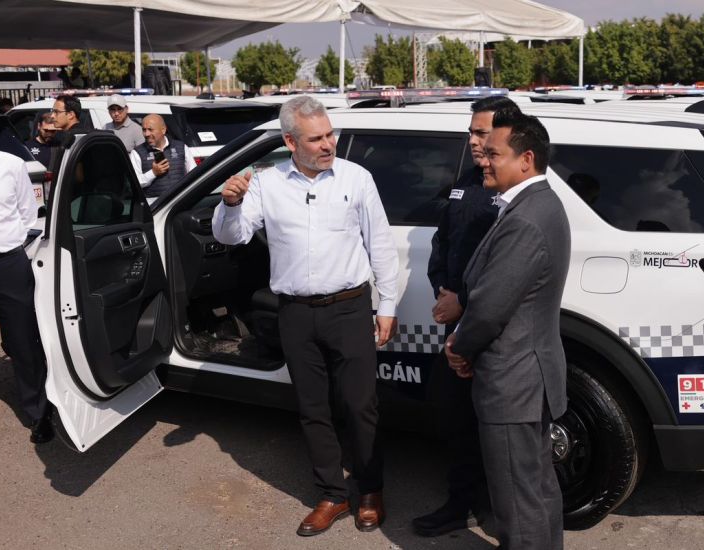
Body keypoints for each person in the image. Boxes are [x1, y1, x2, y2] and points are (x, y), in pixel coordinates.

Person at [211, 96, 399, 537]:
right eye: (317, 139)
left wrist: (387, 304)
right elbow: (232, 236)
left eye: (330, 134)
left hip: (349, 308)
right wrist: (230, 204)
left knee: (360, 405)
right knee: (313, 408)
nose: (328, 144)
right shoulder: (266, 184)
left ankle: (370, 490)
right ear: (291, 142)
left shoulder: (356, 178)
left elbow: (381, 243)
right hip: (295, 313)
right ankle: (332, 493)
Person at [445, 112, 570, 549]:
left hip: (514, 381)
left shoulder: (526, 217)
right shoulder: (533, 205)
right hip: (527, 378)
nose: (484, 160)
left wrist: (459, 346)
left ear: (526, 159)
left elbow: (490, 307)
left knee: (518, 502)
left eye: (494, 154)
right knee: (536, 490)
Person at [413, 96, 521, 538]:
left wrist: (465, 300)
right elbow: (444, 240)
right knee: (454, 415)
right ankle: (463, 503)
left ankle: (502, 515)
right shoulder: (468, 181)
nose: (473, 141)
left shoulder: (512, 190)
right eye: (471, 132)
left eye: (482, 133)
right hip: (458, 321)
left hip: (493, 329)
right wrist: (443, 287)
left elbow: (508, 268)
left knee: (496, 430)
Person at [0, 145, 51, 443]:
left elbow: (29, 215)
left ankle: (38, 412)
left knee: (22, 339)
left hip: (8, 263)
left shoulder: (12, 164)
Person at [129, 114, 195, 200]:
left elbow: (193, 174)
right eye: (144, 130)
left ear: (163, 130)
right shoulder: (136, 153)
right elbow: (135, 183)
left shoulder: (181, 147)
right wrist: (153, 173)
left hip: (180, 201)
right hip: (155, 204)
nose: (146, 134)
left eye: (150, 129)